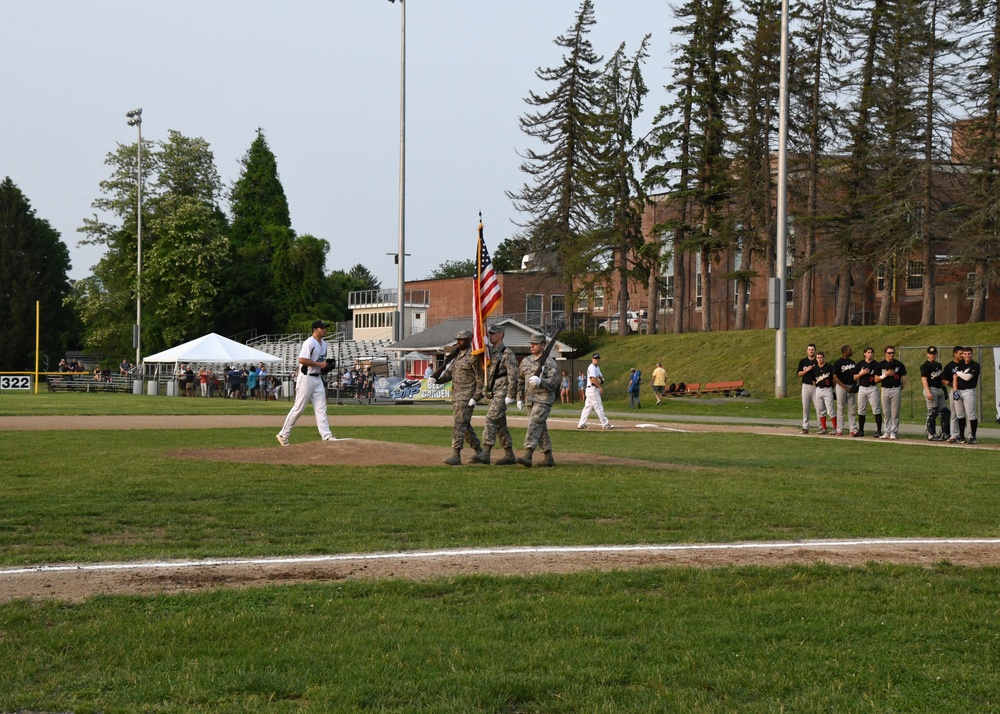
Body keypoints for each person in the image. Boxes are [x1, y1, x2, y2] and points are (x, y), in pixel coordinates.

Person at [428, 329, 484, 465]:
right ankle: (480, 452)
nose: (458, 342)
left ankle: (456, 455)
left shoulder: (473, 356)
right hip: (457, 396)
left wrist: (476, 397)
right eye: (457, 339)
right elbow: (449, 374)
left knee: (459, 425)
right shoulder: (456, 356)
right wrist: (437, 380)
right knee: (465, 426)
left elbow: (480, 378)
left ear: (469, 340)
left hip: (467, 396)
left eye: (462, 339)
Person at [276, 320, 337, 445]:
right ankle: (283, 434)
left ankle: (326, 436)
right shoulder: (309, 342)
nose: (325, 330)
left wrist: (325, 366)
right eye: (322, 328)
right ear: (315, 330)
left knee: (321, 408)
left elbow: (320, 361)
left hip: (317, 378)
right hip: (306, 378)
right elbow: (302, 359)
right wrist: (319, 364)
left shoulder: (324, 344)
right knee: (299, 408)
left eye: (325, 328)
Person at [471, 324, 518, 465]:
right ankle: (509, 454)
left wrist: (510, 394)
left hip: (502, 392)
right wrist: (481, 349)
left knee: (491, 419)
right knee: (500, 424)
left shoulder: (507, 353)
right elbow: (474, 363)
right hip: (491, 392)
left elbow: (513, 375)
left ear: (501, 335)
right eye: (489, 333)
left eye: (493, 333)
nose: (490, 335)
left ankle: (486, 452)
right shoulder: (488, 352)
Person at [515, 332, 560, 467]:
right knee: (540, 427)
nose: (532, 346)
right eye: (531, 344)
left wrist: (541, 381)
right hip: (530, 399)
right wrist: (519, 398)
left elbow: (554, 383)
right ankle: (548, 457)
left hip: (544, 399)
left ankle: (528, 455)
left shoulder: (549, 362)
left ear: (543, 345)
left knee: (534, 424)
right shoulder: (526, 361)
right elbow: (520, 380)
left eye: (535, 344)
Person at [951, 346, 981, 445]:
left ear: (972, 354)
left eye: (969, 354)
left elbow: (968, 377)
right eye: (965, 354)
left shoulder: (975, 365)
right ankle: (961, 435)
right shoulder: (959, 365)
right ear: (963, 355)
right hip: (959, 390)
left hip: (969, 391)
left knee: (971, 414)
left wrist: (957, 373)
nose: (967, 356)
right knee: (960, 414)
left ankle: (973, 436)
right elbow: (954, 378)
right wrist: (955, 391)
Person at [875, 345, 906, 440]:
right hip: (885, 388)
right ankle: (887, 431)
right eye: (889, 353)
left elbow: (904, 377)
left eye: (893, 353)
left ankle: (893, 432)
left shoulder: (899, 364)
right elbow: (876, 379)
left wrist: (901, 387)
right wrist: (885, 375)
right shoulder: (881, 365)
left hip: (895, 388)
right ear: (885, 353)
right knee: (886, 411)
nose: (891, 354)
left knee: (895, 412)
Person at [577, 353, 614, 430]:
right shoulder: (592, 367)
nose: (596, 359)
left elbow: (601, 378)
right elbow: (593, 379)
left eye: (597, 358)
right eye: (595, 358)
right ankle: (605, 423)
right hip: (592, 389)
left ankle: (581, 424)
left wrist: (600, 380)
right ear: (592, 359)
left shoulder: (597, 368)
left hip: (591, 389)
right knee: (599, 407)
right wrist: (600, 387)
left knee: (587, 408)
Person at [854, 346, 882, 438]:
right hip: (862, 388)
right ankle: (861, 430)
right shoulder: (860, 364)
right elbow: (854, 377)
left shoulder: (876, 364)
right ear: (864, 354)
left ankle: (878, 430)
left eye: (871, 352)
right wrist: (861, 373)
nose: (870, 354)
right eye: (868, 352)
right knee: (861, 410)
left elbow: (879, 377)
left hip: (872, 387)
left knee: (876, 409)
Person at [919, 346, 946, 441]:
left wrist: (945, 391)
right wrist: (928, 391)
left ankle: (945, 432)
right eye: (930, 354)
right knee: (932, 412)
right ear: (927, 354)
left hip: (939, 389)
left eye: (934, 354)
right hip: (931, 389)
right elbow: (924, 379)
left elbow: (941, 380)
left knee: (944, 412)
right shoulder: (925, 366)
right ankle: (931, 433)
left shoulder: (938, 365)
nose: (932, 355)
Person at [832, 345, 858, 436]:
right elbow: (835, 376)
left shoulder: (853, 362)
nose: (851, 351)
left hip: (851, 386)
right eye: (850, 350)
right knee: (840, 407)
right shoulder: (838, 363)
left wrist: (855, 385)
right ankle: (839, 429)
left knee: (852, 408)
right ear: (845, 352)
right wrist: (844, 387)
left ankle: (853, 428)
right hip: (841, 386)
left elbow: (855, 375)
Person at [942, 345, 964, 441]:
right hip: (954, 390)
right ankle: (954, 434)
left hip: (965, 389)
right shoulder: (949, 366)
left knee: (965, 413)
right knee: (954, 412)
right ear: (954, 354)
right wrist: (952, 385)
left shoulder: (965, 364)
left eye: (963, 353)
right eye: (960, 353)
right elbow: (943, 380)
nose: (962, 355)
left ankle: (966, 434)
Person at [796, 344, 818, 434]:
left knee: (819, 407)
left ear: (815, 351)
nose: (811, 351)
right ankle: (805, 427)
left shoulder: (818, 361)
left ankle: (821, 427)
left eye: (812, 350)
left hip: (816, 387)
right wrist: (807, 370)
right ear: (807, 351)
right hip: (805, 385)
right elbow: (798, 374)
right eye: (809, 349)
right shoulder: (803, 361)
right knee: (805, 407)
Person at [813, 352, 836, 434]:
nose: (819, 359)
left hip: (827, 389)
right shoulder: (815, 368)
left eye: (821, 357)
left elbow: (834, 378)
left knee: (830, 410)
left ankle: (835, 428)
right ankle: (824, 428)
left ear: (824, 358)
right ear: (816, 359)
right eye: (818, 357)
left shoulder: (829, 367)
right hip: (819, 389)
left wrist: (831, 387)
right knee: (820, 410)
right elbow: (813, 380)